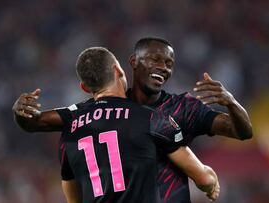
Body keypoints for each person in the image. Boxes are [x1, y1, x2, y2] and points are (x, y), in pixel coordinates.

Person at [13, 47, 220, 203]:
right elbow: (202, 177)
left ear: (85, 87)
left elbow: (73, 196)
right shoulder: (151, 118)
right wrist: (211, 183)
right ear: (118, 70)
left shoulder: (69, 133)